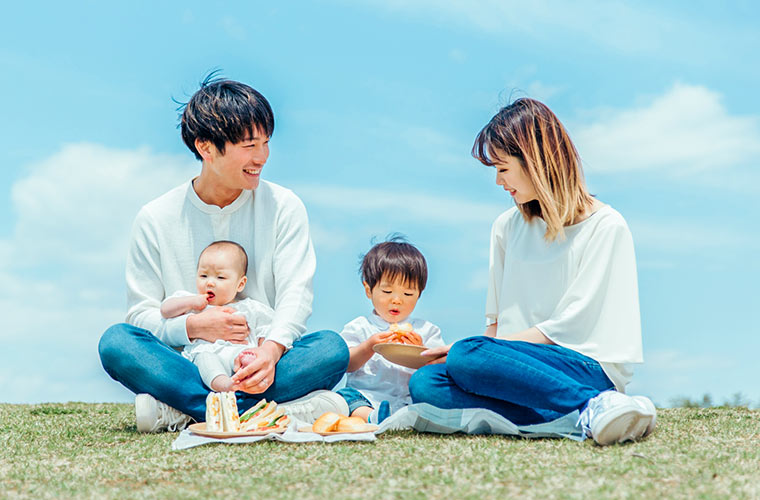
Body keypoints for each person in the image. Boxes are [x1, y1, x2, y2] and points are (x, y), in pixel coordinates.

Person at [98, 74, 349, 432]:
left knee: (330, 348)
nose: (261, 156)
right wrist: (191, 325)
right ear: (206, 148)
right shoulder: (156, 217)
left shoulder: (283, 206)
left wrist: (270, 352)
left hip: (259, 360)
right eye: (249, 145)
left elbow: (296, 293)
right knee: (116, 343)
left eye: (266, 143)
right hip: (188, 365)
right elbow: (141, 315)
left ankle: (190, 412)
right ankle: (270, 411)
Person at [409, 98, 657, 445]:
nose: (498, 181)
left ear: (535, 161)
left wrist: (473, 351)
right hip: (515, 369)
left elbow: (571, 329)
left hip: (584, 369)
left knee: (467, 353)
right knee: (425, 383)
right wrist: (474, 353)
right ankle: (578, 418)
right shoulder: (505, 227)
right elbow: (494, 330)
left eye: (503, 168)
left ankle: (596, 403)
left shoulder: (606, 226)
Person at [337, 237, 445, 423]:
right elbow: (346, 364)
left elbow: (440, 367)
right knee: (345, 396)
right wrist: (368, 346)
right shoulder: (360, 326)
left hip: (407, 400)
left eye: (408, 294)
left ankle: (409, 418)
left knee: (433, 392)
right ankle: (372, 418)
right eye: (387, 292)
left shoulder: (426, 330)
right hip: (366, 397)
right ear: (368, 290)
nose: (397, 300)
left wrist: (421, 352)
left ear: (419, 294)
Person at [161, 240, 275, 393]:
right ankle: (225, 386)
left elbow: (267, 329)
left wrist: (261, 352)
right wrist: (191, 302)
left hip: (239, 356)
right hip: (207, 356)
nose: (210, 283)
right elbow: (165, 310)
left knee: (249, 359)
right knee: (205, 359)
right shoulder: (192, 303)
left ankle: (245, 386)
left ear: (240, 284)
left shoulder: (249, 308)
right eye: (203, 275)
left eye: (220, 278)